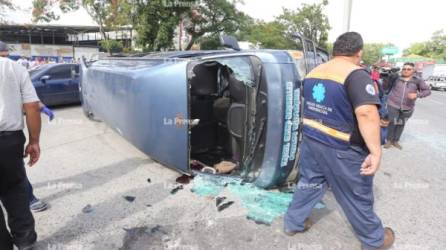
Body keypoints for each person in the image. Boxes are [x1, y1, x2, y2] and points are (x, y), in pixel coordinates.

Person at [284, 32, 394, 249]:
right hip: (342, 148)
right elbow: (366, 114)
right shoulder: (355, 74)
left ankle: (293, 223)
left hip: (313, 141)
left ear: (335, 50)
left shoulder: (314, 71)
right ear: (359, 52)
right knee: (357, 194)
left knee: (309, 184)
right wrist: (375, 152)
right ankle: (374, 240)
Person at [0, 40, 41, 250]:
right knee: (15, 190)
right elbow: (32, 106)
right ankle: (25, 242)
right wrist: (34, 141)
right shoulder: (14, 68)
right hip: (9, 142)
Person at [383, 62, 431, 149]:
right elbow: (385, 87)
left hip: (407, 107)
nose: (406, 71)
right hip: (393, 104)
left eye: (409, 69)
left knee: (401, 123)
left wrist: (417, 95)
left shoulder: (417, 80)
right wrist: (387, 78)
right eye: (404, 69)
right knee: (392, 122)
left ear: (413, 70)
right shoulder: (396, 78)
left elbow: (427, 91)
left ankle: (395, 141)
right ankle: (389, 140)